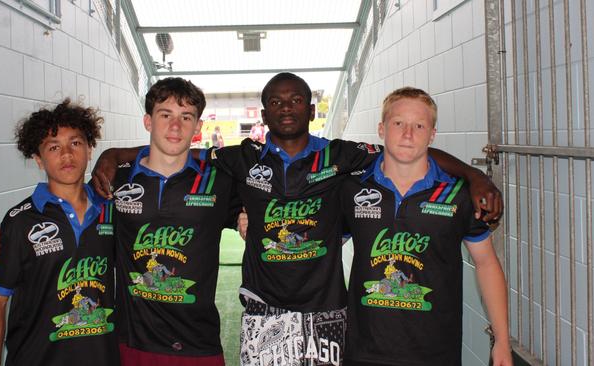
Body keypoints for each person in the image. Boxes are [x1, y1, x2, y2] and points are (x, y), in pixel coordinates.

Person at [89, 72, 503, 365]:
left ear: (311, 108)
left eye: (295, 100)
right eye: (276, 102)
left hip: (327, 313)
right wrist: (113, 157)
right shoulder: (241, 158)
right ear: (264, 114)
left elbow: (411, 151)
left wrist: (474, 175)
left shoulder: (343, 157)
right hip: (263, 312)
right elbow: (174, 152)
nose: (286, 107)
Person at [0, 78, 241, 366]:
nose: (175, 126)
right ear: (148, 121)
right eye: (165, 115)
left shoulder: (216, 181)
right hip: (125, 346)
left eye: (185, 117)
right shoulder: (109, 190)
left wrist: (247, 216)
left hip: (191, 346)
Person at [340, 87, 511, 365]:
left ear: (432, 134)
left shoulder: (458, 195)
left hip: (435, 354)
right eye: (398, 124)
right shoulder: (352, 189)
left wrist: (502, 340)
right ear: (382, 129)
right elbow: (321, 244)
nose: (408, 134)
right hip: (364, 353)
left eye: (419, 125)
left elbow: (486, 263)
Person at [0, 99, 119, 365]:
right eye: (54, 147)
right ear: (38, 159)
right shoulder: (19, 221)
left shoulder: (111, 211)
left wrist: (114, 155)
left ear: (90, 150)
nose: (66, 154)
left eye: (76, 143)